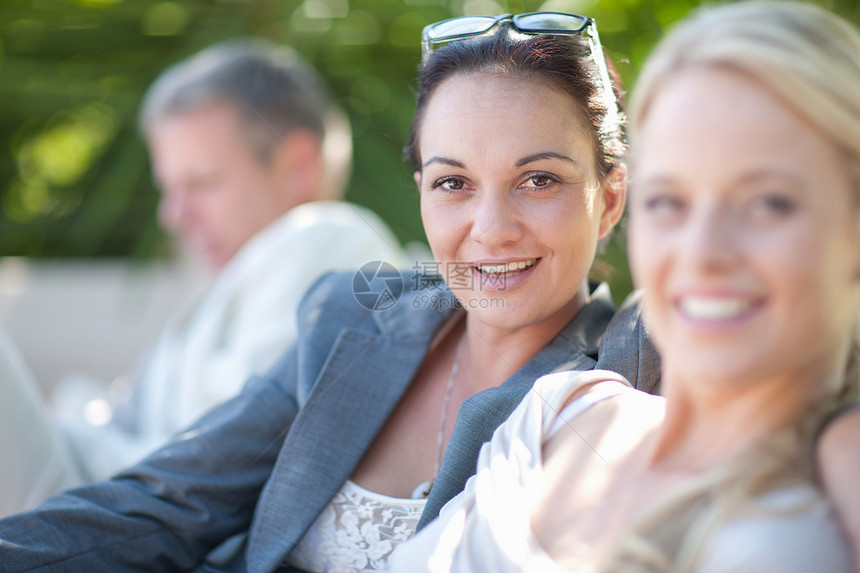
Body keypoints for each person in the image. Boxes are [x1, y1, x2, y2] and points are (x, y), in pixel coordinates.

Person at [0, 13, 660, 572]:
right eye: (453, 183)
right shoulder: (349, 319)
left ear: (609, 201)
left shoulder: (628, 367)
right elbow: (170, 501)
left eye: (538, 180)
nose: (490, 230)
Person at [391, 2, 859, 571]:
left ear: (608, 202)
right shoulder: (556, 412)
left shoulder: (814, 511)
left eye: (768, 203)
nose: (700, 253)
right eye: (669, 201)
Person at [52, 38, 407, 481]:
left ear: (297, 166)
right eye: (170, 189)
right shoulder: (243, 276)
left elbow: (220, 460)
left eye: (201, 183)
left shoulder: (322, 236)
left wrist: (54, 433)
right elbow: (130, 419)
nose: (173, 215)